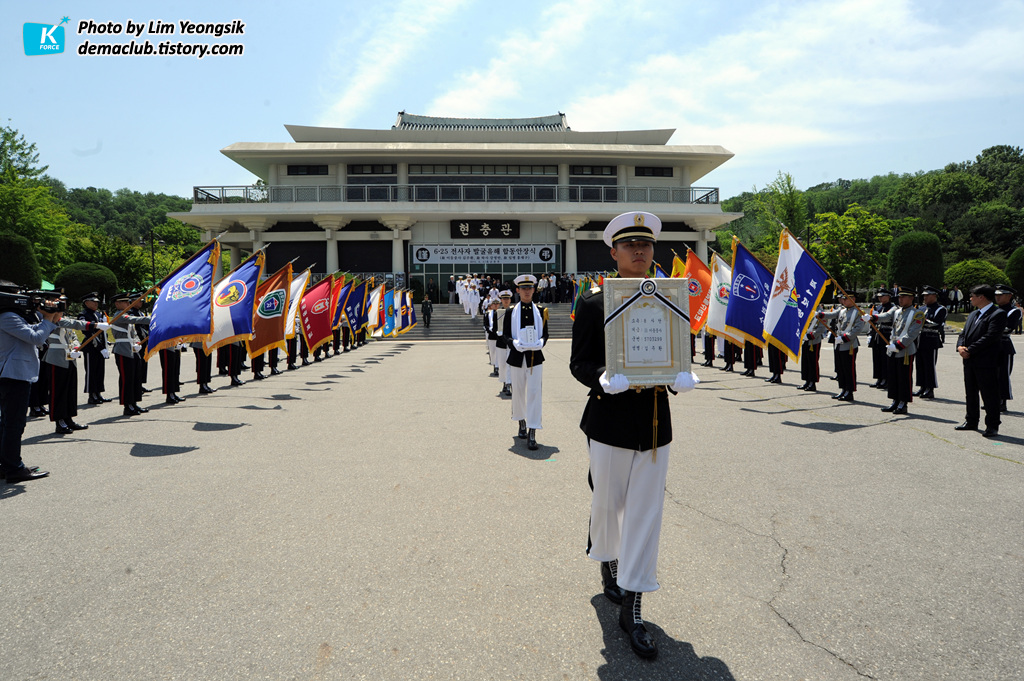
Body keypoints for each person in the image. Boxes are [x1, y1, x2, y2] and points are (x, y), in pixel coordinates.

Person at [569, 211, 699, 660]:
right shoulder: (592, 302)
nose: (639, 251)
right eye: (629, 245)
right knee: (606, 503)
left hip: (654, 424)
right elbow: (578, 362)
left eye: (645, 245)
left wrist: (683, 375)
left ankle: (633, 605)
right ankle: (606, 557)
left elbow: (682, 351)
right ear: (614, 253)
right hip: (608, 421)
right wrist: (602, 376)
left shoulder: (671, 299)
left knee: (646, 515)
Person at [1, 283, 62, 481]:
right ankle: (14, 468)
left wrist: (51, 319)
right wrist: (47, 319)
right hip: (13, 375)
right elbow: (35, 337)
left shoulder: (11, 316)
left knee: (9, 423)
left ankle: (6, 464)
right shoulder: (7, 316)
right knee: (14, 423)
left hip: (15, 374)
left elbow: (33, 330)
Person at [43, 298, 109, 434]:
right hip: (56, 358)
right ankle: (59, 421)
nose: (64, 305)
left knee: (70, 390)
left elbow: (73, 335)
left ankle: (69, 418)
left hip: (69, 357)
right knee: (58, 392)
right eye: (60, 303)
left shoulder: (63, 318)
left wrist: (76, 347)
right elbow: (74, 324)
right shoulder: (50, 319)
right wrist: (95, 325)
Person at [502, 274, 548, 451]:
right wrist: (513, 343)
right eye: (523, 288)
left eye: (529, 288)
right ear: (518, 290)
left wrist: (541, 343)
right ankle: (521, 421)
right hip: (516, 356)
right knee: (519, 392)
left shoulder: (541, 310)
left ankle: (533, 430)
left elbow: (546, 334)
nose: (527, 291)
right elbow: (505, 334)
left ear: (534, 290)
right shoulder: (510, 311)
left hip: (535, 358)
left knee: (535, 393)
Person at [955, 285, 1007, 437]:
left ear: (981, 297)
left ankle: (992, 425)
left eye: (972, 295)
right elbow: (963, 334)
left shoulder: (998, 314)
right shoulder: (973, 314)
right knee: (970, 392)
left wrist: (969, 350)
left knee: (989, 394)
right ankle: (971, 420)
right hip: (969, 360)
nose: (970, 298)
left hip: (986, 361)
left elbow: (991, 337)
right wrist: (960, 347)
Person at [869, 286, 925, 415]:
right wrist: (873, 318)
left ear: (911, 298)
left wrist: (899, 345)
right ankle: (894, 400)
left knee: (903, 378)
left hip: (904, 351)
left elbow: (912, 333)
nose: (900, 299)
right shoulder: (896, 310)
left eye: (903, 297)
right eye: (899, 297)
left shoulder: (917, 314)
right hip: (892, 348)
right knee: (893, 377)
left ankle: (903, 403)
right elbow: (886, 316)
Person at [817, 293, 867, 402]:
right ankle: (843, 389)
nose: (843, 301)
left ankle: (850, 391)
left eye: (845, 299)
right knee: (840, 369)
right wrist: (820, 314)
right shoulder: (842, 310)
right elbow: (831, 315)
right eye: (842, 299)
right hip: (839, 343)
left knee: (848, 369)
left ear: (853, 299)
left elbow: (857, 329)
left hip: (849, 344)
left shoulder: (858, 312)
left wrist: (845, 338)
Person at [109, 291, 151, 417]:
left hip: (132, 350)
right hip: (123, 350)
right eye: (125, 302)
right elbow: (137, 320)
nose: (128, 303)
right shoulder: (119, 315)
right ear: (118, 304)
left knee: (135, 377)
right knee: (127, 379)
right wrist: (154, 317)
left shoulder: (125, 314)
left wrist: (138, 343)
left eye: (128, 301)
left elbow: (134, 333)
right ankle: (128, 405)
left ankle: (134, 403)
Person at [915, 285, 947, 399]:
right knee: (920, 364)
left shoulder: (940, 309)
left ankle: (930, 388)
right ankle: (922, 387)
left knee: (929, 365)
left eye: (927, 295)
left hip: (931, 338)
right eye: (924, 295)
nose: (925, 298)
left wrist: (923, 320)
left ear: (934, 296)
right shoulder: (921, 308)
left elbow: (938, 324)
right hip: (919, 339)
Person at [79, 292, 111, 404]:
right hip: (91, 346)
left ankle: (98, 393)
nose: (96, 303)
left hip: (100, 345)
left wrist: (105, 343)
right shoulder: (83, 315)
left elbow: (101, 332)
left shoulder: (98, 314)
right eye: (93, 301)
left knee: (99, 371)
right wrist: (100, 347)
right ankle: (91, 395)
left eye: (97, 302)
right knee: (91, 371)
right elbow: (88, 332)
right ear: (86, 302)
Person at [994, 285, 1019, 413]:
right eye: (996, 294)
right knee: (991, 375)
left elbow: (1008, 327)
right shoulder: (993, 309)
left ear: (1009, 296)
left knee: (1003, 374)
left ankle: (1002, 401)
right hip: (991, 346)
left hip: (1004, 345)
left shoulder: (1013, 311)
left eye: (1001, 294)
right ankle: (992, 400)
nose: (997, 297)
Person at [869, 288, 894, 389]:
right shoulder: (878, 307)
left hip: (886, 334)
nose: (880, 298)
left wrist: (874, 318)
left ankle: (886, 379)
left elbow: (886, 317)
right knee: (877, 357)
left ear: (888, 296)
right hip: (877, 334)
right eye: (879, 296)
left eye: (882, 296)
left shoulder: (892, 308)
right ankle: (879, 378)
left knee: (885, 358)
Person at [798, 316, 826, 391]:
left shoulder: (820, 312)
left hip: (814, 341)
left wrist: (811, 336)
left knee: (812, 362)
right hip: (805, 339)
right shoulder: (807, 310)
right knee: (805, 361)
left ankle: (812, 383)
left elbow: (822, 327)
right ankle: (807, 381)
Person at [496, 291, 513, 396]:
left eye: (507, 299)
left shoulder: (514, 311)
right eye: (504, 299)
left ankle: (509, 384)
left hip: (510, 341)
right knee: (502, 364)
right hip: (501, 342)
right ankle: (504, 382)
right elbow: (494, 327)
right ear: (501, 300)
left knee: (510, 364)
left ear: (510, 300)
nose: (506, 301)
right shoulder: (497, 312)